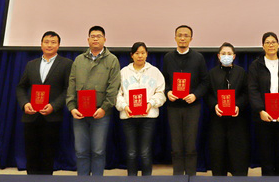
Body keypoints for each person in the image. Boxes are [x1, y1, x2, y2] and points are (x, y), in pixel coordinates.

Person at [66, 26, 121, 176]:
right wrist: (72, 107)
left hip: (101, 112)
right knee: (81, 151)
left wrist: (104, 108)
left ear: (105, 39)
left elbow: (113, 87)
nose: (95, 39)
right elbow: (72, 85)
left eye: (99, 36)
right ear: (88, 39)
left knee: (98, 151)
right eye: (92, 36)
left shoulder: (112, 60)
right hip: (79, 112)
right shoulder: (79, 60)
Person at [16, 31, 73, 174]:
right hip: (31, 115)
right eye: (46, 42)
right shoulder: (31, 64)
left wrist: (54, 106)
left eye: (53, 42)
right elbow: (21, 87)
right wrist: (25, 104)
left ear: (58, 45)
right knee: (31, 154)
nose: (49, 45)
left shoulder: (66, 64)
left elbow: (68, 89)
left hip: (52, 116)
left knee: (48, 154)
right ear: (41, 44)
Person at [248, 32, 279, 176]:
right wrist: (260, 110)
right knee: (266, 155)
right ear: (263, 46)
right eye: (267, 42)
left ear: (278, 45)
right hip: (263, 117)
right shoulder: (256, 66)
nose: (271, 45)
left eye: (273, 42)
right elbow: (253, 89)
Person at [162, 25, 208, 175]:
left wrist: (195, 95)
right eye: (180, 35)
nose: (182, 38)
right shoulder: (168, 57)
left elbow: (205, 82)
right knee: (176, 145)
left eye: (186, 35)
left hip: (192, 106)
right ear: (175, 38)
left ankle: (190, 176)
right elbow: (164, 81)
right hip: (173, 106)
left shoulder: (198, 58)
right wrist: (168, 92)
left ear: (191, 39)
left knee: (190, 144)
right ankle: (177, 176)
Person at [116, 42, 166, 176]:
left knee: (145, 152)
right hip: (128, 117)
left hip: (148, 117)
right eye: (137, 53)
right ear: (131, 55)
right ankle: (132, 178)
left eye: (143, 53)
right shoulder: (123, 72)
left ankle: (146, 179)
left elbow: (161, 93)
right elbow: (117, 94)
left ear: (147, 54)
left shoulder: (155, 72)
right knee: (131, 152)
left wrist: (151, 103)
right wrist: (124, 106)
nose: (140, 56)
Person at [206, 42, 249, 176]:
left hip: (237, 119)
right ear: (218, 56)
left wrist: (238, 105)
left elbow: (246, 93)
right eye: (223, 53)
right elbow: (207, 94)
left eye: (229, 54)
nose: (226, 56)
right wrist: (214, 105)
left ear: (234, 56)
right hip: (217, 119)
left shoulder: (241, 72)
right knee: (218, 150)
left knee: (238, 151)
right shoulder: (212, 73)